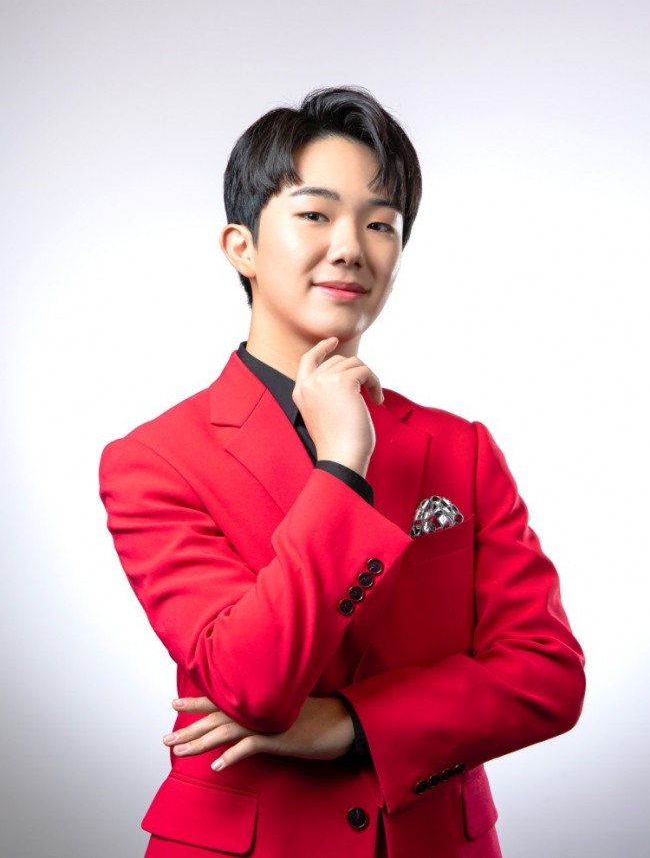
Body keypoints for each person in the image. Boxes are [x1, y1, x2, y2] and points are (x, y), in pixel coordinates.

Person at [99, 87, 585, 858]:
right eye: (316, 214)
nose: (352, 246)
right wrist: (341, 466)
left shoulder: (460, 448)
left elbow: (547, 674)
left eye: (381, 223)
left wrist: (354, 723)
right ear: (241, 246)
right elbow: (252, 684)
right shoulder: (154, 461)